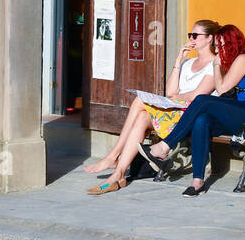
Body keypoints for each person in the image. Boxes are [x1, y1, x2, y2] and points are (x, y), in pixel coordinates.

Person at [85, 20, 220, 195]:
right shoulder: (188, 63)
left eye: (195, 35)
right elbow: (170, 90)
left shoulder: (214, 65)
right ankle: (118, 174)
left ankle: (113, 157)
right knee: (141, 116)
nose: (191, 39)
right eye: (190, 35)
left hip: (190, 115)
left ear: (209, 38)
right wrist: (179, 60)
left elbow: (196, 96)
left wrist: (171, 99)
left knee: (140, 101)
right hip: (175, 110)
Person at [146, 23, 245, 196]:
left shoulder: (243, 59)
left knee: (201, 100)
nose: (219, 48)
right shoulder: (231, 63)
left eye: (223, 44)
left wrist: (216, 64)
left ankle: (165, 146)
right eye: (217, 44)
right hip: (240, 115)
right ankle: (198, 181)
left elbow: (222, 89)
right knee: (202, 120)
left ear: (233, 43)